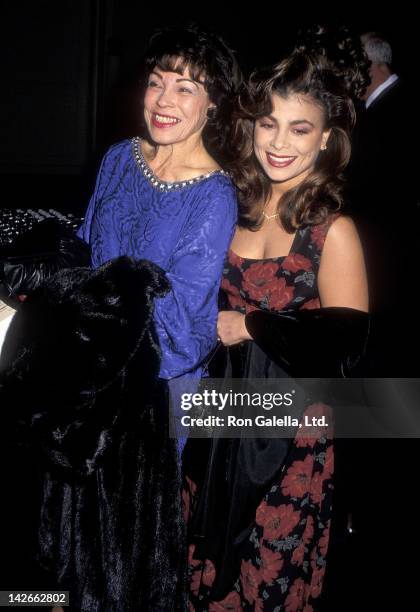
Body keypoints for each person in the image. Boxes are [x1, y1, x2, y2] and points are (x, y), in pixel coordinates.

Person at [183, 26, 370, 611]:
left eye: (299, 128)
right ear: (250, 126)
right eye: (268, 124)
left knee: (268, 579)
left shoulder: (332, 231)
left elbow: (347, 343)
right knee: (200, 567)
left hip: (291, 437)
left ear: (325, 140)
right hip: (216, 420)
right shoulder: (223, 205)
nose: (279, 143)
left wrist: (254, 325)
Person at [77, 24, 240, 448]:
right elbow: (83, 250)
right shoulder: (118, 157)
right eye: (155, 83)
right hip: (88, 368)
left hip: (154, 389)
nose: (163, 100)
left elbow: (183, 328)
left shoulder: (214, 194)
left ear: (213, 106)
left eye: (185, 88)